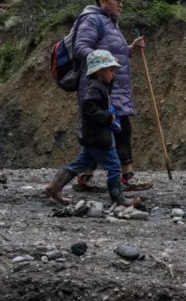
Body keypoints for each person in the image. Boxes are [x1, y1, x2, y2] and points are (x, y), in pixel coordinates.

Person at [71, 0, 150, 193]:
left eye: (122, 1)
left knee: (119, 129)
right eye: (117, 0)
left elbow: (116, 54)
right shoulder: (93, 19)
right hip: (99, 87)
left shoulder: (111, 23)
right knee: (106, 131)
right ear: (102, 1)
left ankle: (113, 177)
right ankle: (97, 177)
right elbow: (81, 48)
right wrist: (104, 61)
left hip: (116, 87)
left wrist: (131, 48)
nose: (121, 4)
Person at [45, 50, 142, 207]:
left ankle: (54, 187)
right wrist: (107, 116)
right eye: (110, 70)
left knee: (80, 164)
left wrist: (110, 67)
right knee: (114, 166)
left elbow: (106, 86)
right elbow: (89, 109)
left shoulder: (100, 85)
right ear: (99, 72)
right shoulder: (95, 89)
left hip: (91, 136)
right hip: (99, 137)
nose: (113, 73)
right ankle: (119, 199)